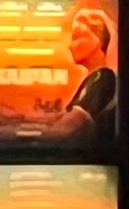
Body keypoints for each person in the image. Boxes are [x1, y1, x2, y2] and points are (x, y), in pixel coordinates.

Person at [45, 8, 117, 142]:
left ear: (97, 39)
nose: (70, 46)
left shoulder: (101, 78)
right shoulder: (97, 78)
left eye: (77, 37)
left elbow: (70, 128)